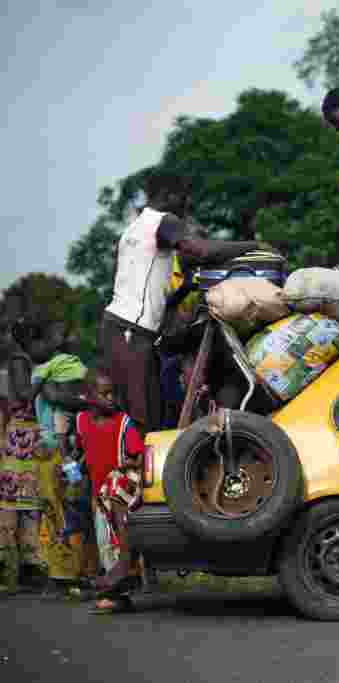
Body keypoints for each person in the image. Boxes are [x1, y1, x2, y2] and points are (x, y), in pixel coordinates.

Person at [103, 170, 273, 434]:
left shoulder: (133, 230)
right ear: (169, 196)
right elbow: (202, 251)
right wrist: (255, 245)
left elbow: (147, 294)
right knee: (151, 423)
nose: (186, 208)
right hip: (132, 333)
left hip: (118, 328)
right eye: (184, 200)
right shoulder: (163, 221)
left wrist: (184, 290)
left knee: (146, 417)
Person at [76, 366, 145, 613]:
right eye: (104, 394)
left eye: (112, 393)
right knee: (105, 542)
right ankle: (119, 594)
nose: (111, 399)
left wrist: (129, 463)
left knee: (117, 540)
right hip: (98, 494)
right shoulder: (81, 421)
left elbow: (139, 457)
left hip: (120, 494)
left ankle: (118, 589)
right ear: (88, 396)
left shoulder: (123, 423)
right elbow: (82, 451)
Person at [29, 321, 91, 596]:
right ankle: (65, 574)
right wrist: (85, 399)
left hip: (63, 451)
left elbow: (66, 397)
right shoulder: (48, 371)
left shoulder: (57, 369)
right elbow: (60, 397)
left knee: (66, 509)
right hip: (56, 450)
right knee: (60, 510)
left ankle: (71, 574)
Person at [0, 319, 46, 594]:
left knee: (28, 502)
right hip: (21, 438)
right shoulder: (20, 361)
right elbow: (24, 395)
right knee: (16, 503)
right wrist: (45, 379)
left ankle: (28, 568)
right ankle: (12, 568)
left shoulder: (23, 360)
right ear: (28, 339)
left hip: (27, 437)